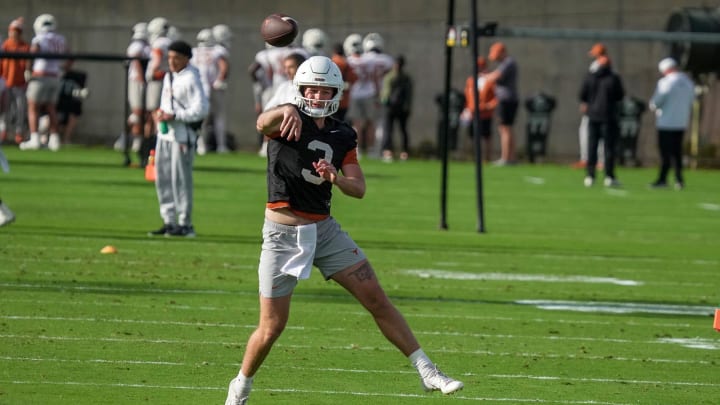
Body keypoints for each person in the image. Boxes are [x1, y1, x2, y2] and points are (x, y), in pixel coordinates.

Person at [223, 56, 463, 405]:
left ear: (336, 92)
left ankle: (428, 371)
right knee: (272, 327)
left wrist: (336, 178)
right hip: (282, 234)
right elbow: (263, 123)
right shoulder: (286, 117)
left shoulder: (342, 133)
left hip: (325, 231)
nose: (318, 96)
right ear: (301, 89)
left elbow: (359, 188)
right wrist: (287, 108)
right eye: (312, 89)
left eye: (325, 90)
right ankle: (240, 388)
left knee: (377, 299)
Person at [147, 40, 208, 238]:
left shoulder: (192, 78)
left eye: (176, 58)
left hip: (182, 136)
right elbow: (167, 104)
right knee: (163, 179)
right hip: (165, 134)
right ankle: (169, 220)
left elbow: (201, 110)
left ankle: (185, 223)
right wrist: (161, 114)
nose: (172, 62)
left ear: (186, 59)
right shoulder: (169, 77)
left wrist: (174, 116)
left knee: (180, 180)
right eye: (170, 57)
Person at [20, 13, 71, 152]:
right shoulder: (60, 39)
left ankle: (35, 138)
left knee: (33, 107)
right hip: (55, 76)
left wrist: (28, 70)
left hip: (40, 75)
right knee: (51, 108)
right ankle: (54, 139)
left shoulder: (39, 38)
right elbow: (70, 57)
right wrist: (63, 69)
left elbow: (33, 54)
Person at [648, 57, 694, 190]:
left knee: (665, 153)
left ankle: (663, 179)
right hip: (681, 122)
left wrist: (654, 106)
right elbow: (692, 100)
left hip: (666, 122)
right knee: (677, 152)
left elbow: (656, 102)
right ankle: (679, 179)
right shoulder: (687, 82)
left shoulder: (665, 82)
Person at [579, 55, 625, 187]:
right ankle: (609, 176)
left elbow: (582, 95)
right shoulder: (613, 78)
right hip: (608, 117)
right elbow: (620, 95)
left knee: (591, 147)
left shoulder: (590, 77)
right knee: (609, 149)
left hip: (592, 117)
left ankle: (590, 176)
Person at [345, 33, 394, 157]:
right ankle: (372, 150)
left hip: (355, 93)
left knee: (357, 125)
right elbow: (386, 70)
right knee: (372, 124)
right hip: (371, 93)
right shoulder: (383, 59)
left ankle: (358, 150)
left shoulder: (356, 59)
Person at [573, 43, 607, 169]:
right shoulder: (602, 66)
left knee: (594, 133)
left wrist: (585, 102)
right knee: (587, 131)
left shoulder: (598, 66)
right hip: (599, 106)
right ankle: (588, 158)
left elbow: (590, 86)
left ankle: (595, 160)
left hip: (595, 106)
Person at [118, 22, 151, 153]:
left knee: (143, 113)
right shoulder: (137, 45)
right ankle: (128, 139)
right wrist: (141, 78)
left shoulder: (146, 45)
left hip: (141, 80)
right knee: (138, 112)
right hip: (137, 81)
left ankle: (129, 139)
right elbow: (136, 61)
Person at [485, 41, 518, 165]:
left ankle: (506, 158)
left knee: (504, 128)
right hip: (508, 99)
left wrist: (485, 77)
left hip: (506, 99)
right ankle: (511, 157)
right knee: (507, 128)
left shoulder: (508, 63)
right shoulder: (506, 63)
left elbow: (495, 77)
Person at [461, 56, 497, 163]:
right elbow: (467, 96)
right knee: (472, 135)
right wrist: (467, 109)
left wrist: (488, 106)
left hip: (485, 113)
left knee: (486, 136)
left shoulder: (489, 80)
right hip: (473, 112)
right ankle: (472, 157)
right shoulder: (471, 81)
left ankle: (487, 158)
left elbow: (495, 97)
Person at [0, 17, 30, 145]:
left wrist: (27, 73)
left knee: (20, 109)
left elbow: (27, 63)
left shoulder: (25, 46)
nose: (13, 33)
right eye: (12, 30)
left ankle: (19, 133)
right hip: (6, 82)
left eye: (16, 31)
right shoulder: (6, 44)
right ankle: (4, 131)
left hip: (20, 83)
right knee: (5, 109)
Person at [380, 54, 413, 162]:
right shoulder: (405, 78)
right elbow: (409, 94)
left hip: (392, 107)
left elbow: (385, 93)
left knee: (391, 129)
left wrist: (384, 101)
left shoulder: (390, 77)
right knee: (398, 130)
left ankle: (389, 151)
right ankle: (402, 152)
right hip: (400, 108)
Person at [330, 42, 356, 122]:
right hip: (345, 98)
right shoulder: (346, 63)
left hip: (332, 97)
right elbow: (354, 78)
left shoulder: (331, 62)